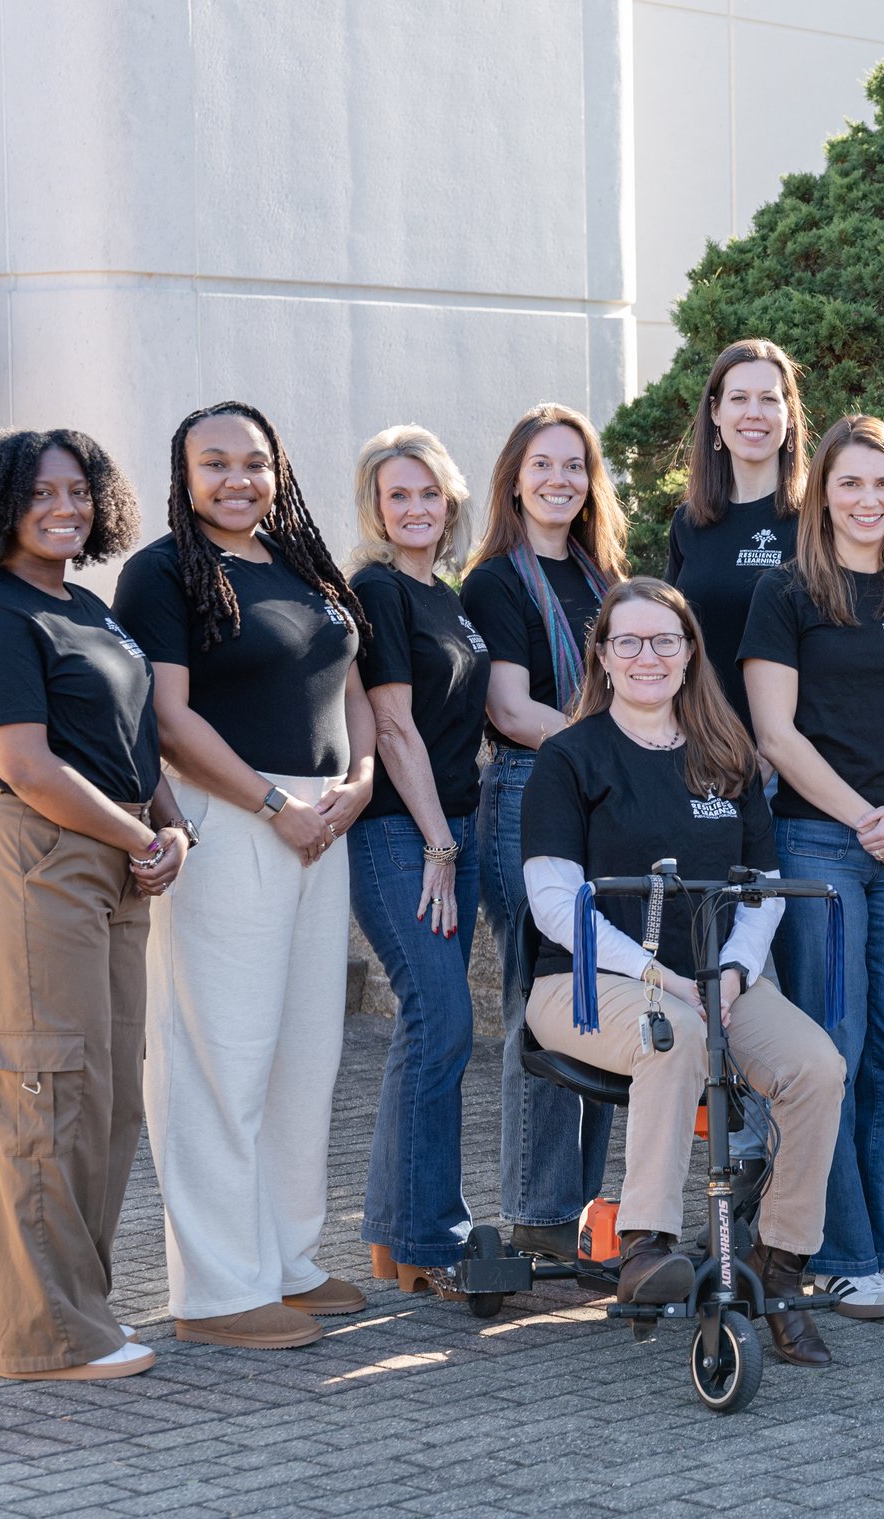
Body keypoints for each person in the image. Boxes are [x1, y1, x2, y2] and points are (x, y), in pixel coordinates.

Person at [520, 579, 846, 1368]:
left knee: (816, 1067)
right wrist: (662, 976)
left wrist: (732, 968)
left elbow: (762, 888)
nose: (647, 656)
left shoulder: (727, 753)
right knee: (677, 1033)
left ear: (690, 650)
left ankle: (778, 1264)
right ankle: (645, 1245)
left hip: (720, 980)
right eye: (627, 641)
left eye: (665, 640)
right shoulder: (571, 755)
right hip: (587, 984)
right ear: (601, 654)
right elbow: (553, 903)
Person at [114, 401, 376, 1351]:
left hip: (324, 819)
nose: (238, 479)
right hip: (233, 820)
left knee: (305, 1056)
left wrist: (361, 779)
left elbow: (351, 683)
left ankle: (288, 1262)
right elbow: (170, 720)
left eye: (254, 462)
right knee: (216, 1058)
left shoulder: (302, 561)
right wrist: (275, 806)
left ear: (279, 468)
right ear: (183, 475)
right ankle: (219, 1290)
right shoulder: (159, 574)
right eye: (213, 463)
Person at [0, 429, 184, 1382]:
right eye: (42, 492)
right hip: (36, 858)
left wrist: (169, 825)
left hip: (116, 857)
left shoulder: (87, 605)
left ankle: (79, 1308)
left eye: (79, 490)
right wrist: (138, 838)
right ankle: (46, 1337)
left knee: (110, 1097)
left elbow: (137, 736)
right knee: (46, 1094)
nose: (65, 507)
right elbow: (28, 764)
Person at [743, 414, 884, 1319]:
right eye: (850, 483)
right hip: (818, 843)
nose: (868, 499)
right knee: (831, 1045)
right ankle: (836, 1252)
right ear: (822, 495)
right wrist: (863, 817)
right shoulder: (789, 594)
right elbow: (775, 733)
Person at [461, 404, 631, 1262]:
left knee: (602, 1004)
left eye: (575, 465)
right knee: (540, 1004)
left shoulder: (606, 579)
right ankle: (536, 1209)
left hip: (607, 807)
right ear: (515, 478)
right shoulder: (495, 581)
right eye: (542, 465)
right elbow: (508, 707)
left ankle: (584, 1211)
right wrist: (615, 746)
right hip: (533, 800)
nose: (559, 480)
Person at [345, 426, 489, 1298]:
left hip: (455, 831)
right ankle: (428, 1235)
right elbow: (394, 726)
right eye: (398, 495)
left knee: (424, 1028)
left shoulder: (449, 595)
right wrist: (438, 842)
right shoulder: (377, 590)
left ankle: (397, 1238)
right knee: (442, 1021)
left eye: (428, 493)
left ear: (451, 501)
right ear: (375, 506)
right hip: (405, 834)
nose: (415, 509)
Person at [665, 339, 813, 730]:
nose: (754, 414)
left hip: (795, 759)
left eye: (768, 399)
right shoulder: (688, 523)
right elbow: (673, 641)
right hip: (701, 748)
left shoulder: (819, 521)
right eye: (738, 398)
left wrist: (775, 753)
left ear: (789, 414)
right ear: (715, 411)